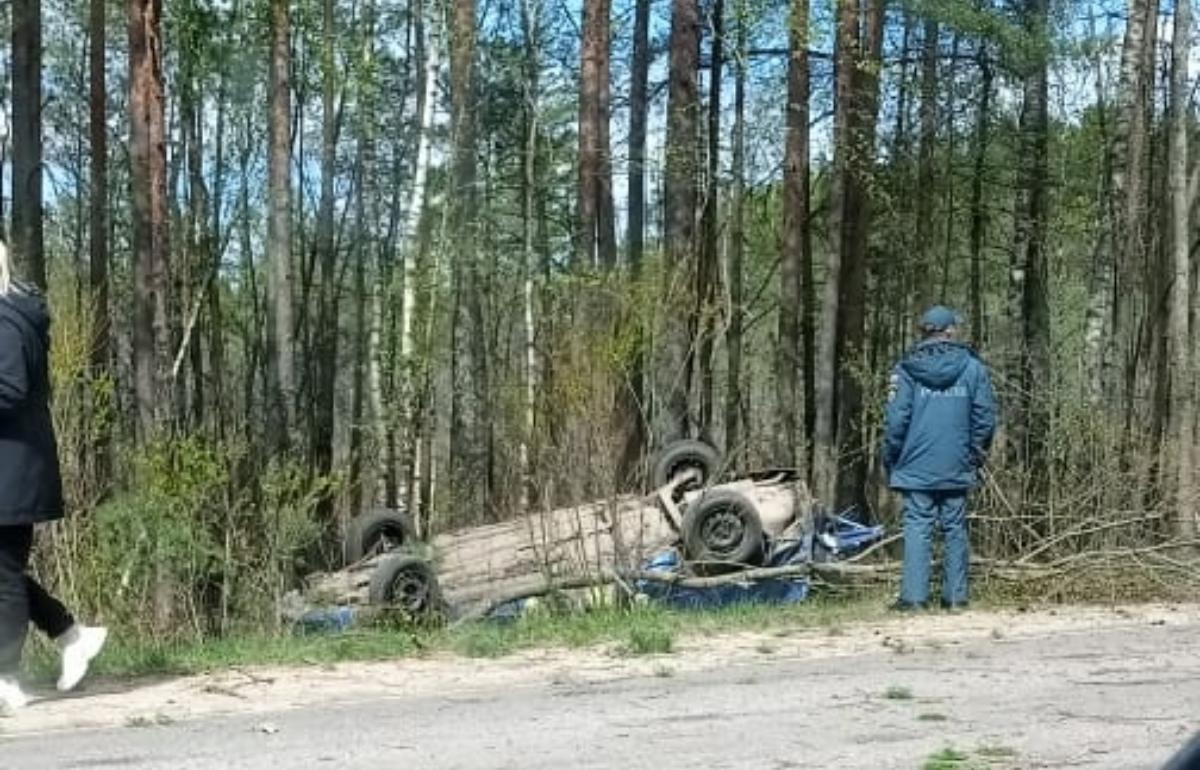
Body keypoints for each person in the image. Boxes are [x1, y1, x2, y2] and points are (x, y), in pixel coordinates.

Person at [0, 241, 107, 714]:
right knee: (3, 572)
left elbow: (9, 388)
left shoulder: (6, 320)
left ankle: (6, 679)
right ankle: (70, 633)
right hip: (15, 466)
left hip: (12, 470)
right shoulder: (15, 315)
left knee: (2, 574)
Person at [882, 306, 996, 612]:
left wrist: (891, 457)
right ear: (950, 331)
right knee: (954, 527)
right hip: (956, 461)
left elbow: (896, 420)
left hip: (916, 463)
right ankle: (956, 598)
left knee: (918, 525)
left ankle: (914, 598)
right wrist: (974, 453)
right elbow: (985, 418)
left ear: (924, 332)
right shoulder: (973, 369)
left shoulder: (905, 369)